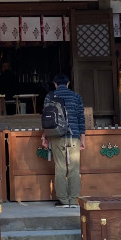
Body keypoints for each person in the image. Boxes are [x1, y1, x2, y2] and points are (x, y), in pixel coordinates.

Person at [41, 73, 86, 207]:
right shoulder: (76, 97)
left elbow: (45, 118)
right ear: (68, 83)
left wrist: (44, 136)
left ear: (55, 84)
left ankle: (63, 200)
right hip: (74, 136)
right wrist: (82, 137)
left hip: (56, 136)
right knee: (74, 168)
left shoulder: (50, 96)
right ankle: (73, 200)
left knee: (60, 167)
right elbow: (81, 118)